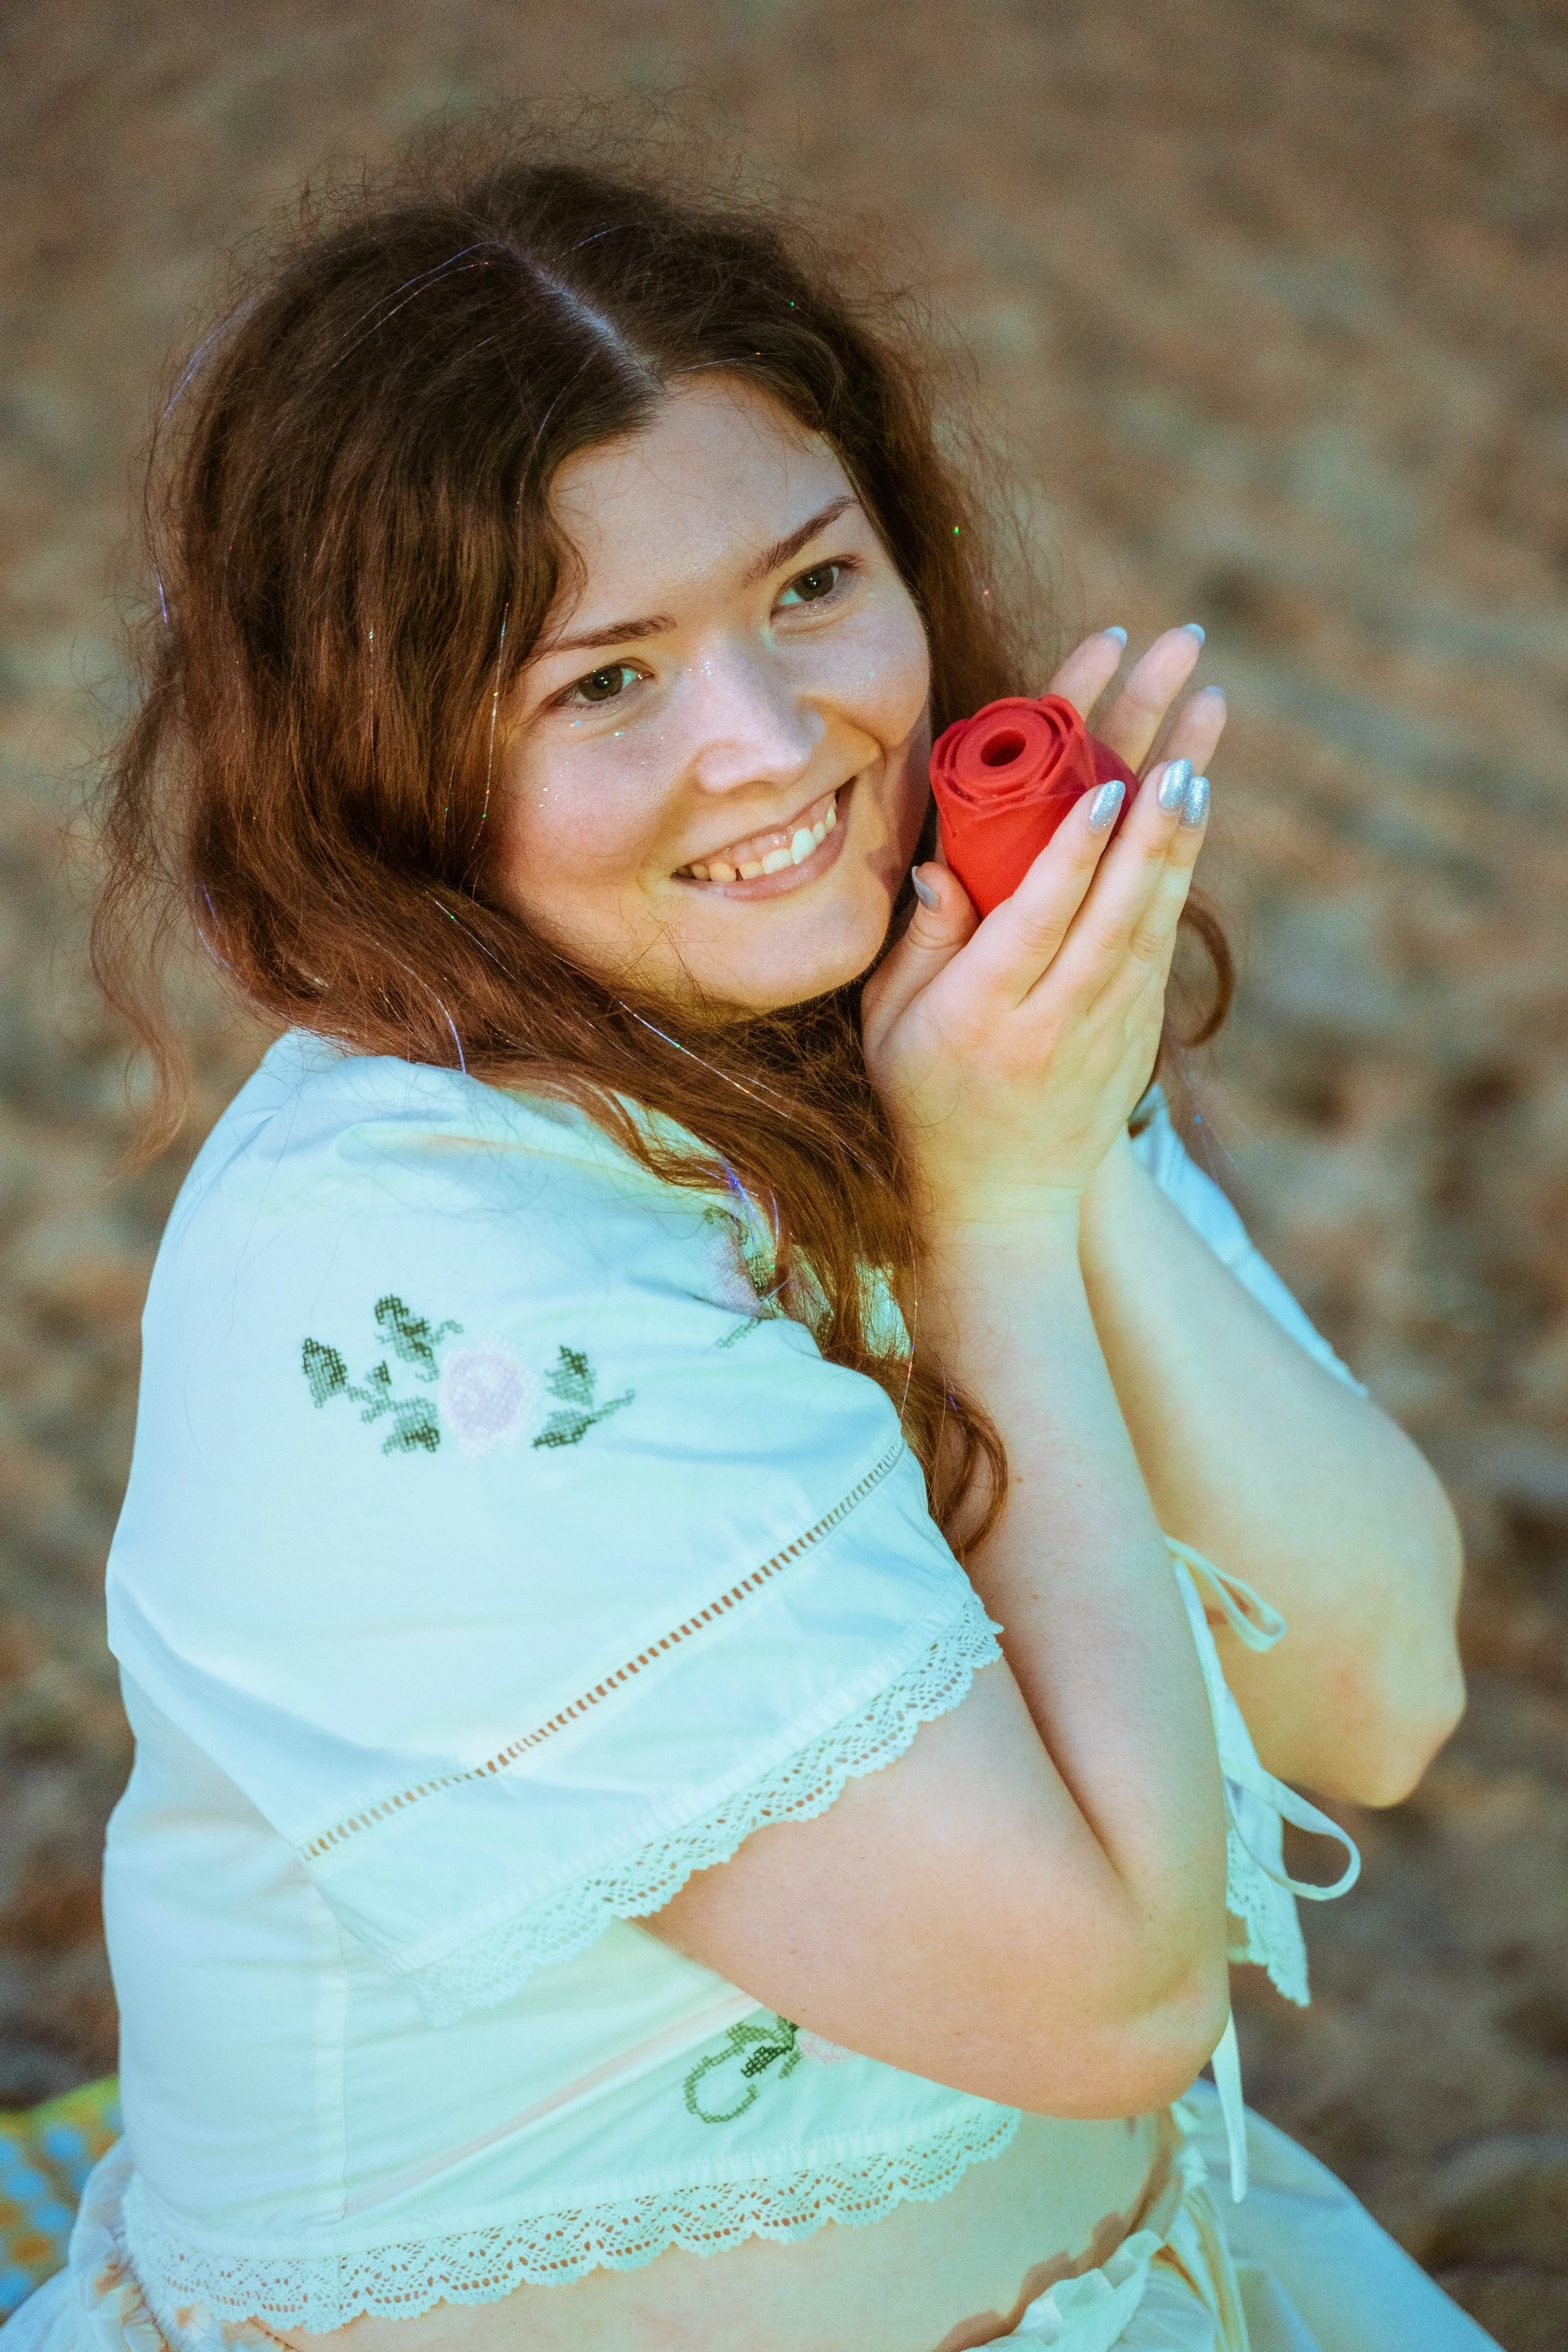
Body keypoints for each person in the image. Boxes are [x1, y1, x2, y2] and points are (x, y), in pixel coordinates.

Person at [2, 139, 1497, 2352]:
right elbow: (1105, 1996)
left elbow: (1382, 1695)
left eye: (809, 587)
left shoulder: (900, 1011)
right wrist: (989, 1208)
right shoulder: (398, 1272)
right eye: (601, 681)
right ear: (389, 757)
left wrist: (1059, 1147)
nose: (777, 744)